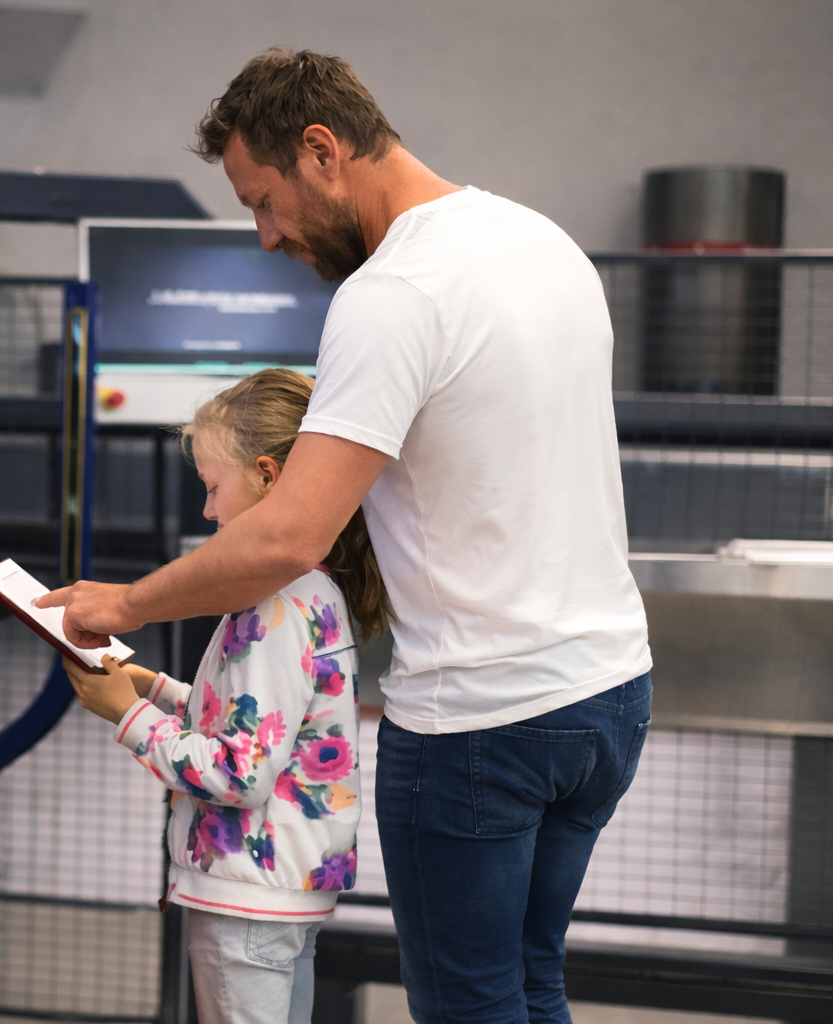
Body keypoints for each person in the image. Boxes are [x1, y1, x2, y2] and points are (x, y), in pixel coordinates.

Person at [40, 49, 652, 1024]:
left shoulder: (393, 292)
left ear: (322, 150)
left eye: (263, 200)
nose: (267, 235)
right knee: (530, 979)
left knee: (468, 1003)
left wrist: (119, 605)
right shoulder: (537, 239)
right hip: (607, 694)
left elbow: (288, 535)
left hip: (483, 718)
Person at [61, 369, 387, 1024]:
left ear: (267, 477)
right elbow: (263, 722)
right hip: (282, 893)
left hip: (245, 899)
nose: (207, 510)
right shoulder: (311, 591)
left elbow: (238, 772)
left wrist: (124, 716)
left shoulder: (269, 604)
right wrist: (152, 688)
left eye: (213, 488)